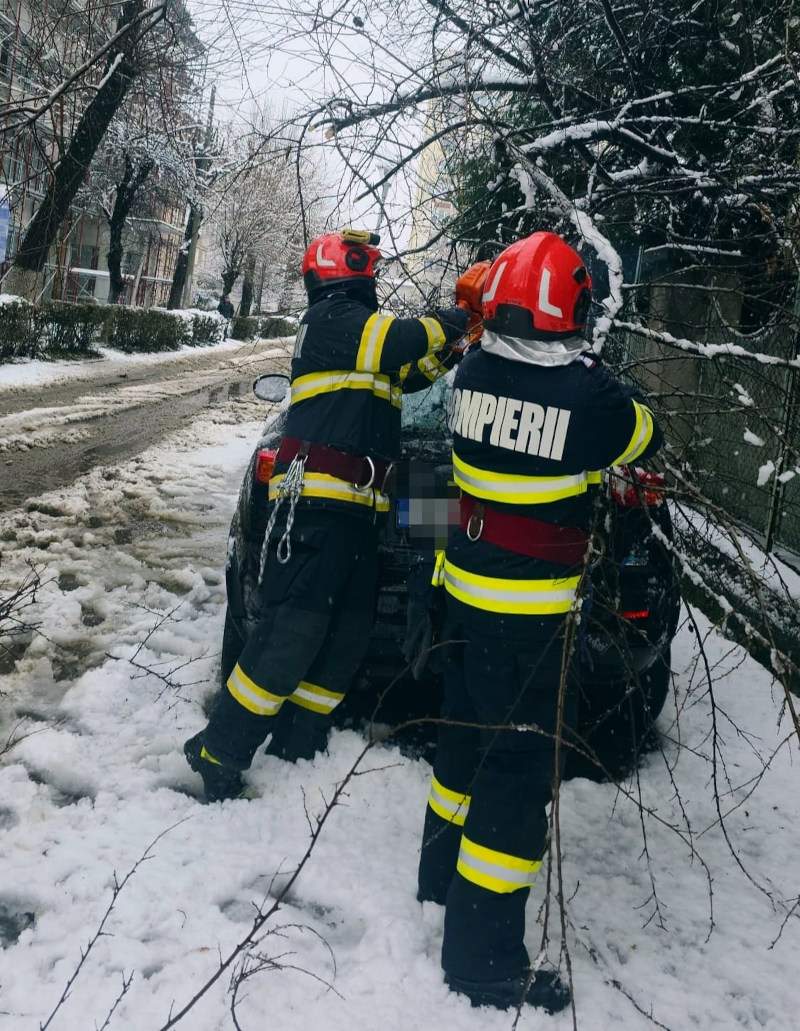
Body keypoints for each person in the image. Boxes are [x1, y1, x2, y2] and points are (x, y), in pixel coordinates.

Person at [416, 232, 663, 1013]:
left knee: (460, 741)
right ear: (572, 309)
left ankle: (437, 877)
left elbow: (435, 482)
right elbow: (645, 433)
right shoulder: (591, 397)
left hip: (460, 592)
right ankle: (483, 958)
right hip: (527, 621)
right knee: (516, 780)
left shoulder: (472, 368)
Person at [185, 229, 468, 801]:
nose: (375, 278)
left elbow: (411, 369)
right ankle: (221, 747)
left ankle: (299, 743)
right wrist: (464, 313)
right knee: (293, 631)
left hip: (368, 506)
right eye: (370, 268)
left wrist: (457, 348)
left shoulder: (363, 339)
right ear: (347, 272)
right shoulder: (335, 321)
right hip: (317, 506)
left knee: (346, 637)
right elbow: (405, 338)